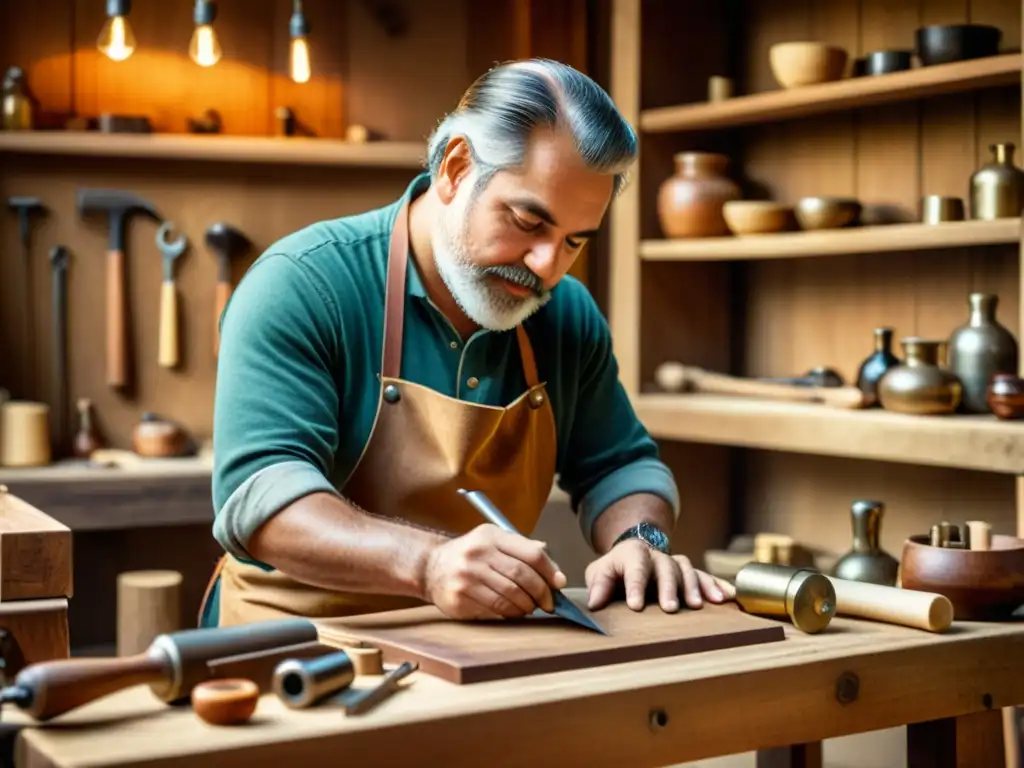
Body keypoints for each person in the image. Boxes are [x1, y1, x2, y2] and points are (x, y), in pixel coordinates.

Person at [198, 58, 735, 629]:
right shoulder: (302, 285)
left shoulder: (565, 316)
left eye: (575, 240)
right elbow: (263, 501)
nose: (547, 266)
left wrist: (640, 540)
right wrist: (427, 565)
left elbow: (621, 464)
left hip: (471, 655)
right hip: (290, 650)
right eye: (529, 221)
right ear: (455, 168)